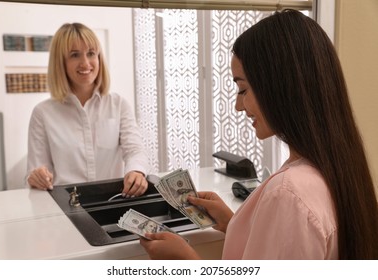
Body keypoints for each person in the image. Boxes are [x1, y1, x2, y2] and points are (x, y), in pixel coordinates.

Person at [140, 10, 378, 259]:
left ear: (280, 87)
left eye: (243, 89)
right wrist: (239, 225)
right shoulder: (339, 170)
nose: (237, 105)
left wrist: (186, 261)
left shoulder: (288, 194)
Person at [26, 23, 149, 198]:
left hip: (113, 201)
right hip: (65, 206)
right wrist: (36, 177)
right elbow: (36, 169)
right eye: (75, 55)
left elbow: (135, 150)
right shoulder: (42, 113)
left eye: (91, 53)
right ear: (60, 62)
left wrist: (136, 171)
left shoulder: (118, 104)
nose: (85, 63)